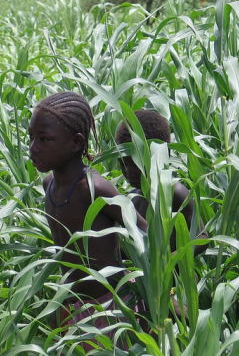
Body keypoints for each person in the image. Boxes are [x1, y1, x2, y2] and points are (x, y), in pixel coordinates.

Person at [28, 92, 148, 351]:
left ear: (75, 143)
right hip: (72, 305)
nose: (33, 148)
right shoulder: (48, 184)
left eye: (44, 139)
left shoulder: (95, 189)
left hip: (110, 309)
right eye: (31, 137)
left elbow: (147, 234)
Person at [115, 109, 208, 257]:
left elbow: (202, 238)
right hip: (145, 280)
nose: (129, 172)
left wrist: (168, 261)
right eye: (122, 164)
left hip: (177, 279)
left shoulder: (174, 192)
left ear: (159, 156)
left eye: (135, 163)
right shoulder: (132, 199)